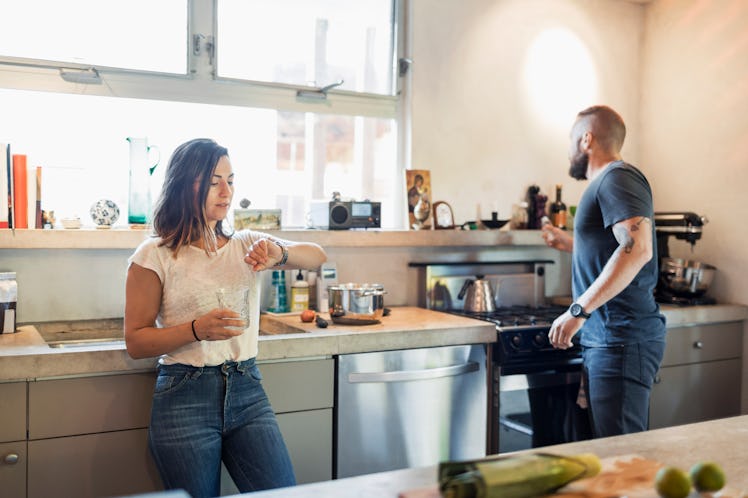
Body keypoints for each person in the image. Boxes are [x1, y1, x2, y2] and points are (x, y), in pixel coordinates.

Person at [124, 138, 327, 498]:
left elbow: (316, 256)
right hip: (184, 395)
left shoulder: (246, 243)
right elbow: (136, 341)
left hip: (247, 388)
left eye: (231, 180)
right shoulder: (154, 255)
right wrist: (196, 330)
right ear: (186, 184)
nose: (226, 191)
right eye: (214, 180)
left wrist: (277, 254)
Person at [541, 105, 666, 438]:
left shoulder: (617, 177)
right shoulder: (609, 183)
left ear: (586, 139)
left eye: (572, 140)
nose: (569, 150)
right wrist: (571, 243)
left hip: (621, 340)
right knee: (612, 454)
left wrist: (578, 310)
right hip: (612, 340)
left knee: (622, 459)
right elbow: (615, 246)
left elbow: (637, 248)